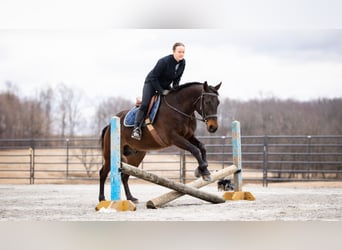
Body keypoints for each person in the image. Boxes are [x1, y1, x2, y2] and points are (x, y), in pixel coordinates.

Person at [131, 42, 186, 140]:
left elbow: (177, 79)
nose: (181, 54)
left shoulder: (183, 63)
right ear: (173, 52)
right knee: (145, 104)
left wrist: (176, 90)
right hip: (151, 83)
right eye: (179, 52)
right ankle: (136, 129)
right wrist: (161, 91)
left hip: (165, 85)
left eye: (183, 52)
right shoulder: (163, 61)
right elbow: (154, 77)